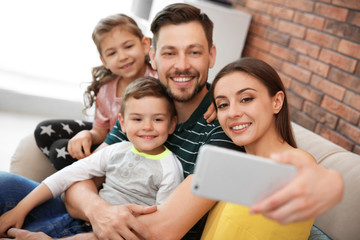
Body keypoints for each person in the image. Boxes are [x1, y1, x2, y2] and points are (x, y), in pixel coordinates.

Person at [1, 3, 343, 240]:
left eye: (194, 52)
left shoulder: (224, 126)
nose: (182, 65)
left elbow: (161, 230)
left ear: (211, 55)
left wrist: (92, 212)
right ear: (152, 56)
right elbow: (82, 180)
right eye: (169, 52)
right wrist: (99, 211)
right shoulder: (145, 106)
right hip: (89, 220)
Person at [0, 77, 183, 238]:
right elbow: (67, 175)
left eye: (157, 119)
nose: (147, 127)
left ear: (172, 124)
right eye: (137, 119)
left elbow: (158, 226)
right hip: (77, 220)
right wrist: (20, 210)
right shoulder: (116, 151)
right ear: (123, 123)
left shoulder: (169, 168)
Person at [201, 57, 315, 239]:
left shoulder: (297, 166)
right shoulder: (237, 170)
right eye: (223, 105)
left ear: (276, 102)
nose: (232, 113)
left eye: (246, 99)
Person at [33, 13, 157, 170]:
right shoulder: (106, 89)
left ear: (145, 44)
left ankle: (94, 179)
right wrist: (88, 135)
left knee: (58, 150)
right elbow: (101, 132)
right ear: (104, 61)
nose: (122, 56)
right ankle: (84, 178)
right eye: (112, 53)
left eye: (128, 47)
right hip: (108, 144)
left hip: (135, 151)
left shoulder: (158, 78)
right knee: (46, 133)